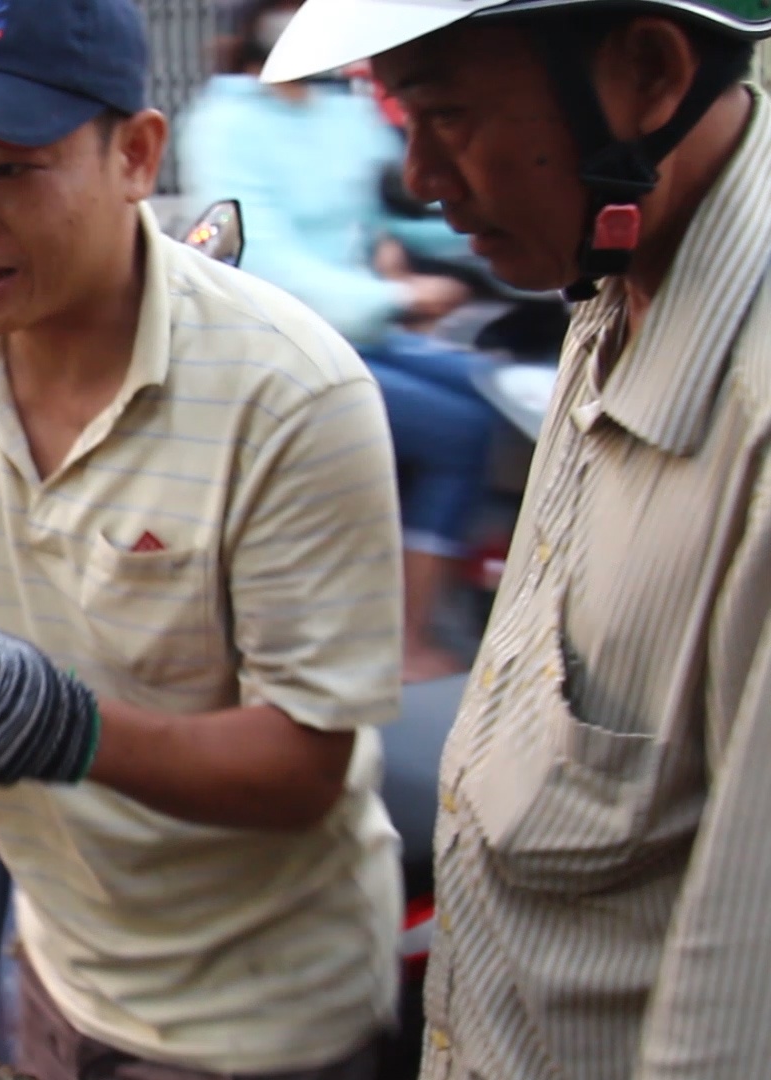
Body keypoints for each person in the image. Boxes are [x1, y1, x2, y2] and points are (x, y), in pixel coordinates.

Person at [0, 0, 407, 1076]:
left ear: (137, 155)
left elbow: (303, 766)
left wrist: (69, 728)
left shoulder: (292, 395)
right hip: (48, 959)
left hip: (260, 1020)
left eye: (10, 169)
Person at [263, 0, 771, 1078]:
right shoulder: (612, 269)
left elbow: (733, 1020)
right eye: (402, 116)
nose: (419, 175)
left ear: (648, 72)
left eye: (447, 113)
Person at [177, 0, 497, 682]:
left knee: (488, 387)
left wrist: (496, 220)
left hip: (364, 332)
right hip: (283, 343)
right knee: (459, 430)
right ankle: (407, 639)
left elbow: (411, 202)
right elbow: (267, 258)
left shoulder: (343, 115)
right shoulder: (223, 121)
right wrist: (398, 297)